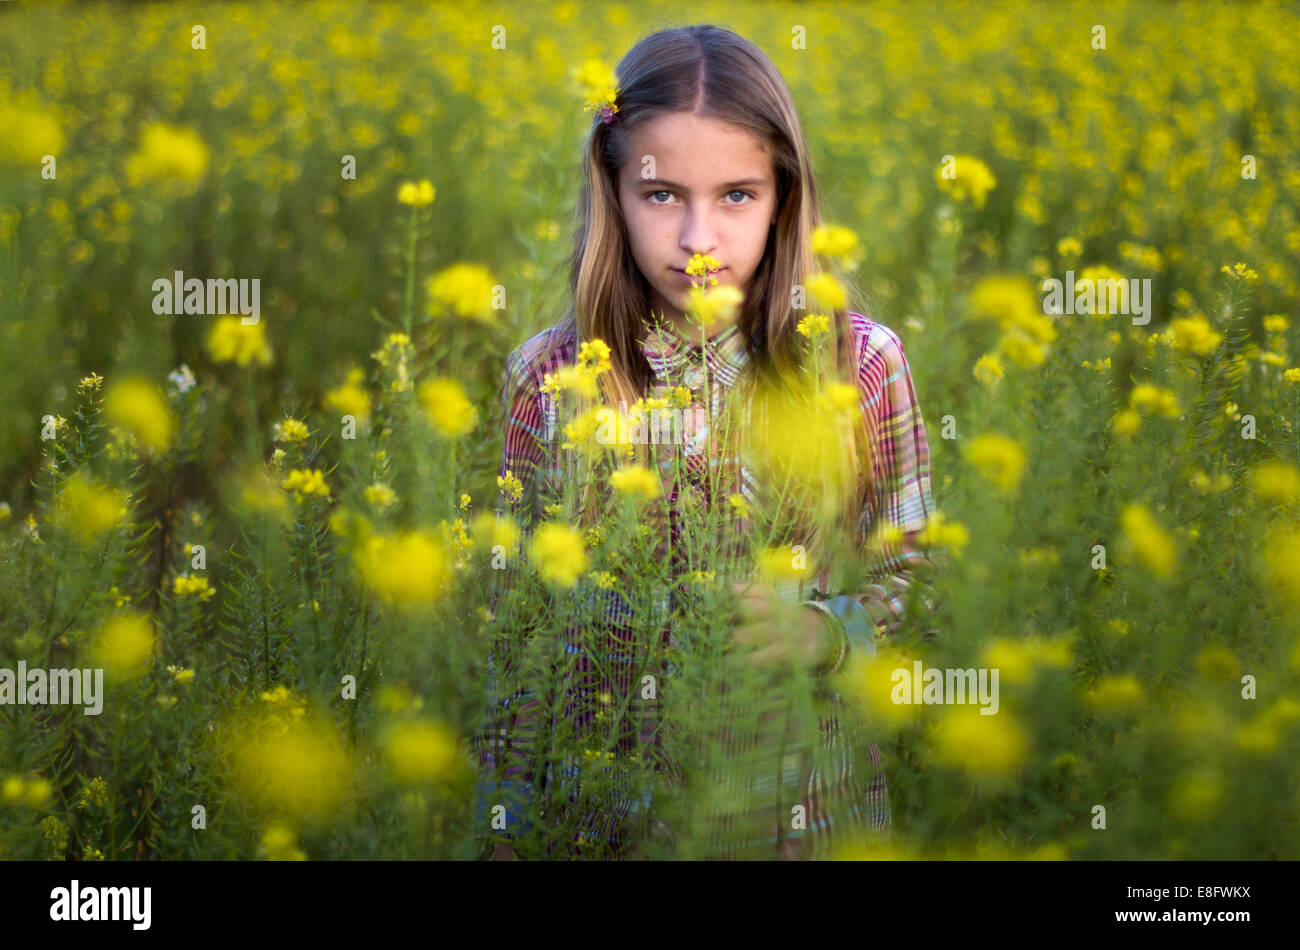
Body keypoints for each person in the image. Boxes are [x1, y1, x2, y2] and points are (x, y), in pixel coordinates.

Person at [473, 23, 946, 861]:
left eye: (737, 195)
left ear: (784, 198)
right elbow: (514, 630)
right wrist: (503, 817)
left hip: (797, 821)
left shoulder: (861, 366)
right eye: (661, 195)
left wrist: (827, 633)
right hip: (599, 829)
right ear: (612, 192)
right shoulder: (547, 376)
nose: (698, 240)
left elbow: (919, 572)